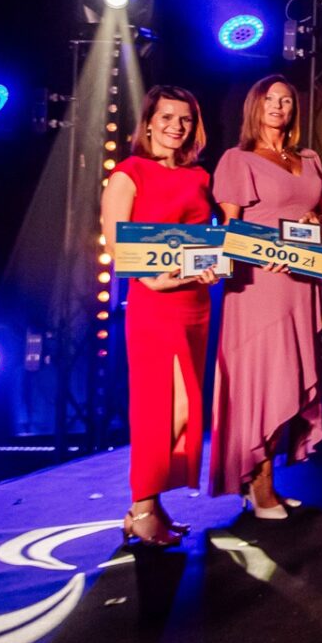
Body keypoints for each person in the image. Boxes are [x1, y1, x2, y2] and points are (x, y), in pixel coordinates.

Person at [101, 85, 218, 546]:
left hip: (194, 303)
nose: (176, 126)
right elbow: (117, 243)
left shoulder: (199, 177)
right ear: (148, 122)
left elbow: (203, 242)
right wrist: (154, 281)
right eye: (167, 117)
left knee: (186, 407)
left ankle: (151, 503)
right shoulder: (129, 173)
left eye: (185, 119)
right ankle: (142, 507)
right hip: (155, 304)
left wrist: (210, 267)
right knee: (161, 407)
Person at [210, 75, 322, 517]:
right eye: (270, 100)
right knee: (264, 381)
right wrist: (264, 252)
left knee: (292, 377)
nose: (279, 106)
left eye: (286, 100)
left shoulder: (309, 159)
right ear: (255, 107)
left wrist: (316, 221)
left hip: (303, 282)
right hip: (259, 284)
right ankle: (256, 483)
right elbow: (231, 229)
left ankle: (268, 482)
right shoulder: (238, 159)